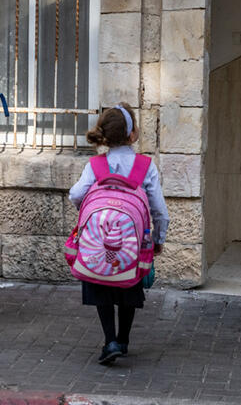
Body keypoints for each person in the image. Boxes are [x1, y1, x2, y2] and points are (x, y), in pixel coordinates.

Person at [69, 103, 169, 364]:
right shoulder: (145, 166)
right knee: (128, 283)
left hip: (98, 239)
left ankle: (109, 340)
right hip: (132, 242)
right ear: (132, 134)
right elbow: (160, 210)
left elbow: (76, 195)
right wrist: (158, 240)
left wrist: (94, 208)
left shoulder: (96, 165)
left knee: (100, 282)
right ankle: (123, 340)